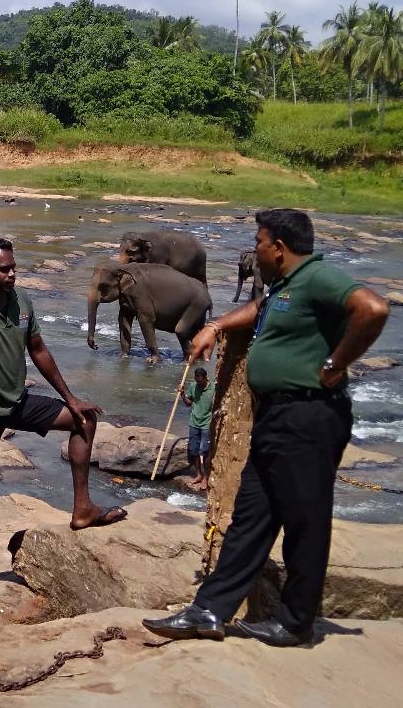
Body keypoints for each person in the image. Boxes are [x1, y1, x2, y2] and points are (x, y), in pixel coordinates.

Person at [143, 208, 389, 648]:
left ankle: (296, 622)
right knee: (251, 518)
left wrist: (336, 364)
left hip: (309, 416)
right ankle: (208, 611)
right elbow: (259, 308)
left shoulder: (318, 277)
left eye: (258, 242)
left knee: (304, 521)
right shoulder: (286, 286)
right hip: (276, 416)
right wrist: (214, 327)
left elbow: (373, 308)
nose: (254, 250)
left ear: (278, 246)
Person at [0, 203, 126, 606]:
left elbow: (38, 350)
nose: (13, 273)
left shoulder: (23, 304)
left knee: (82, 422)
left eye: (14, 267)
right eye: (4, 269)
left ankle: (83, 508)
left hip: (16, 403)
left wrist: (71, 398)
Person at [180, 365, 214, 491]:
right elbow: (189, 404)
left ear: (205, 378)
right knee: (194, 450)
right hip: (194, 422)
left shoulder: (213, 389)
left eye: (200, 381)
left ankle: (205, 478)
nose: (198, 383)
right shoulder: (194, 386)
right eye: (196, 380)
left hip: (206, 424)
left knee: (204, 452)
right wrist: (183, 395)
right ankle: (199, 474)